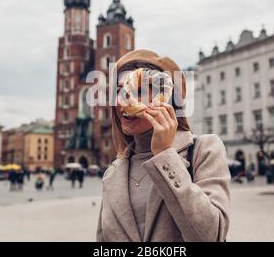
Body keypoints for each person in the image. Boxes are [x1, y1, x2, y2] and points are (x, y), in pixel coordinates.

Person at [96, 50, 230, 242]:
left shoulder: (203, 149)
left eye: (138, 91)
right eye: (118, 91)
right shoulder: (113, 172)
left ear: (165, 98)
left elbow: (212, 235)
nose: (121, 101)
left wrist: (165, 155)